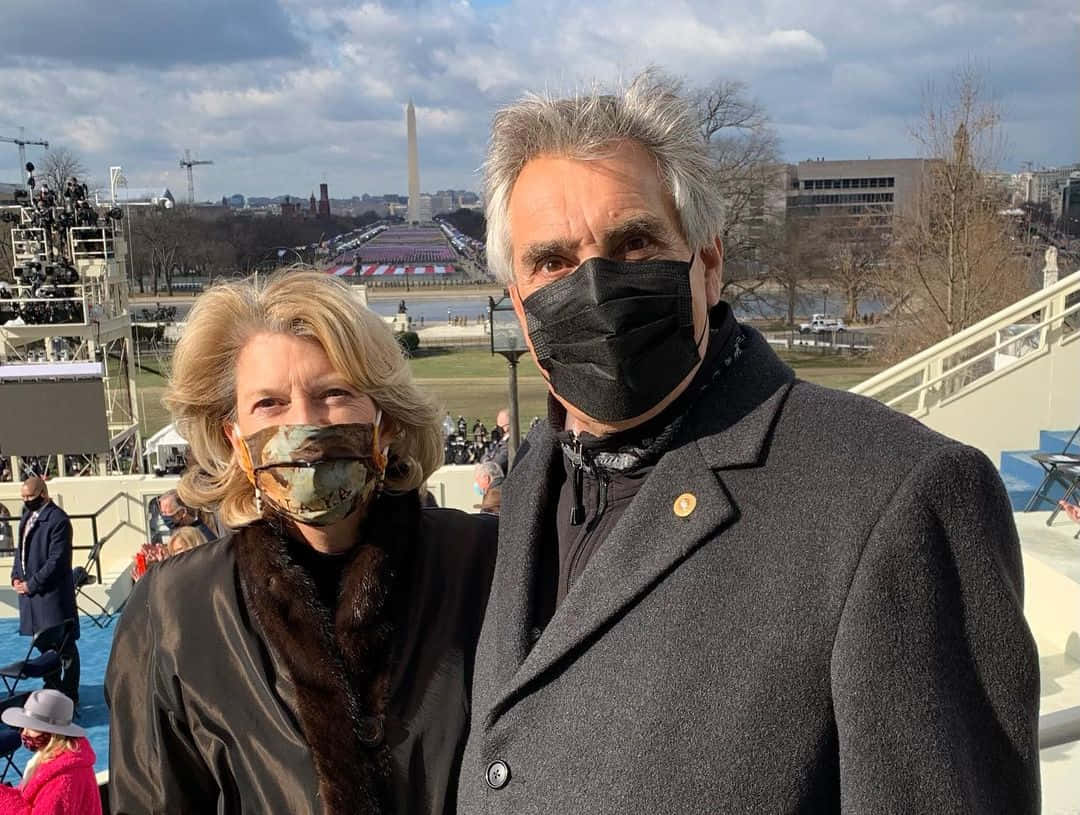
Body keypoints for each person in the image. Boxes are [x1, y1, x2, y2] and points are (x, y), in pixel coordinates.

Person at [457, 70, 1040, 813]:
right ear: (520, 301)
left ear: (707, 261)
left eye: (633, 242)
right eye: (552, 262)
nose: (594, 286)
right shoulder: (539, 470)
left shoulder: (895, 496)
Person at [106, 270, 497, 815]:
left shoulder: (487, 567)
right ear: (234, 438)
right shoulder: (174, 612)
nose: (305, 428)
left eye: (334, 393)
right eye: (269, 404)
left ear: (383, 421)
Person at [11, 477, 80, 705]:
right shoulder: (27, 517)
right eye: (23, 497)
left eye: (29, 497)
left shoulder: (58, 520)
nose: (25, 501)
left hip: (52, 597)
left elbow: (57, 561)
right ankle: (53, 686)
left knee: (64, 647)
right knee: (43, 645)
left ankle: (68, 693)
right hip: (32, 599)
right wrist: (16, 577)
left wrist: (32, 584)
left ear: (43, 493)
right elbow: (20, 552)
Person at [0, 689, 102, 815]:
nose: (24, 733)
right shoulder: (58, 759)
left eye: (32, 728)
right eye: (23, 727)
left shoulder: (63, 779)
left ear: (53, 734)